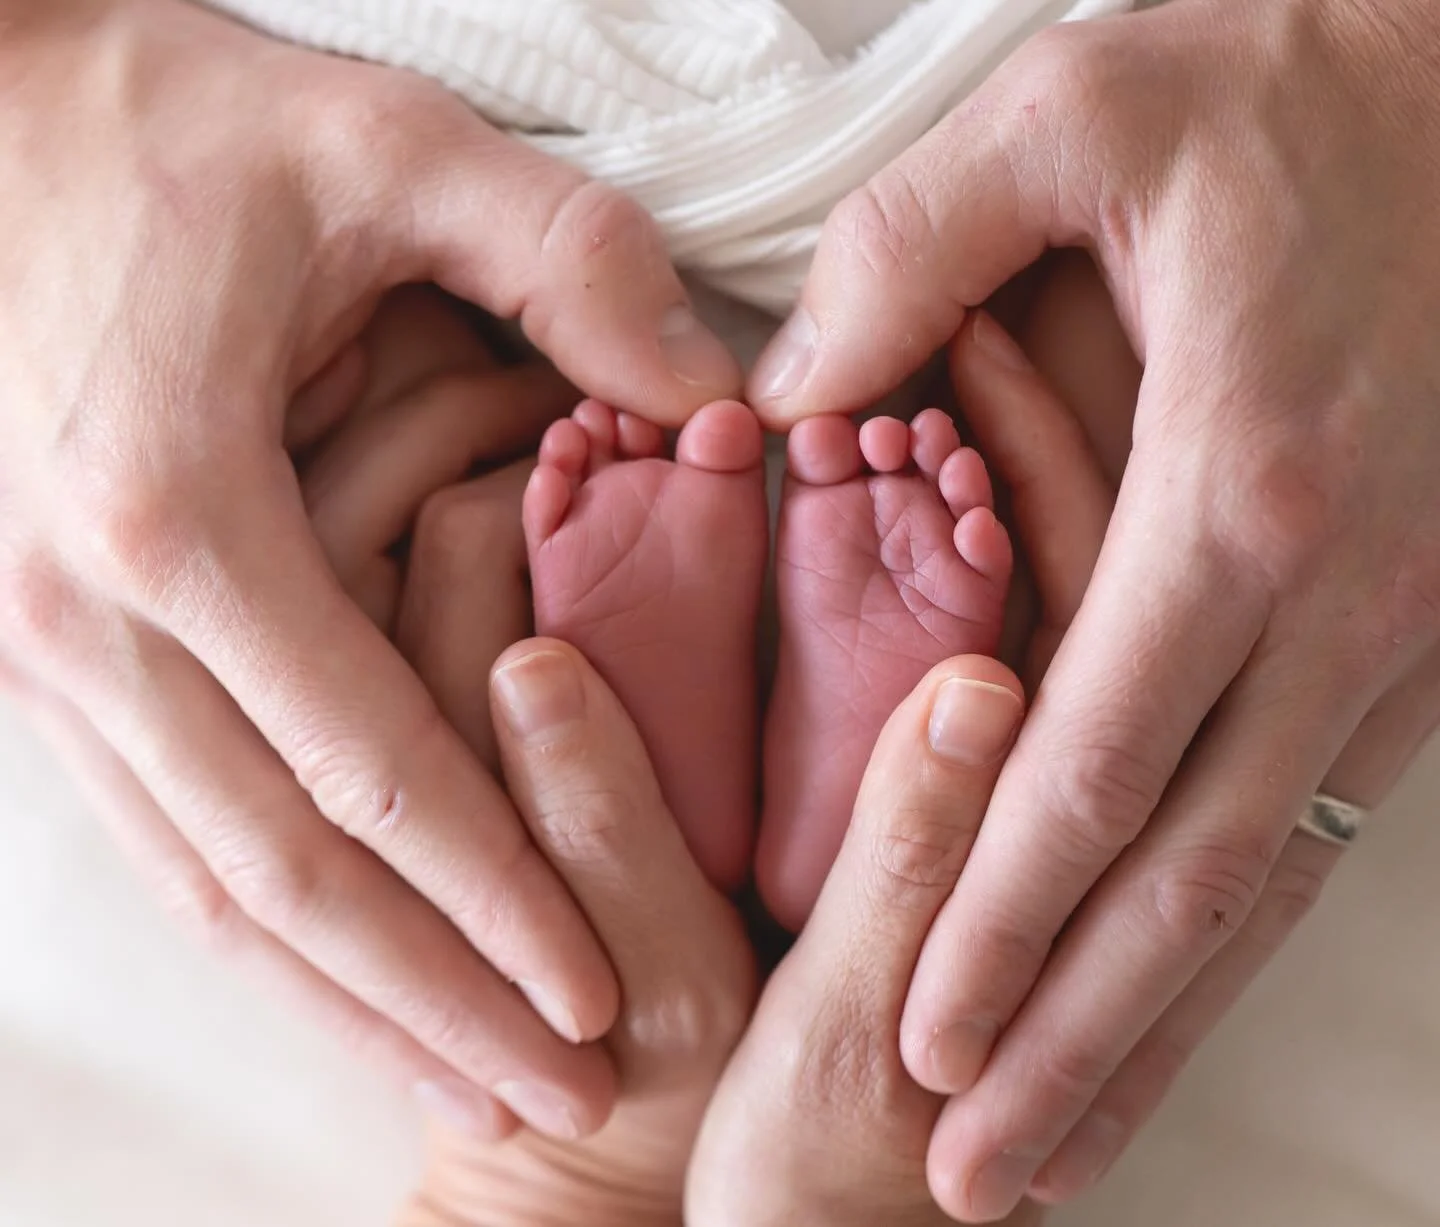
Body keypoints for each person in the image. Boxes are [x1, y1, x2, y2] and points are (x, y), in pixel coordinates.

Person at [6, 0, 1440, 1218]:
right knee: (1122, 452)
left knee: (366, 476)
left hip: (288, 143)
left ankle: (580, 1116)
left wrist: (35, 106)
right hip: (1210, 146)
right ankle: (840, 856)